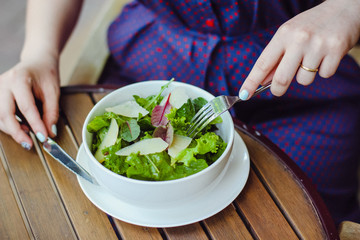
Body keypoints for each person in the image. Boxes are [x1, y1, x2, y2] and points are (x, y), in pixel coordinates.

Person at [0, 0, 359, 225]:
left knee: (303, 219)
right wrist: (39, 52)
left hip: (302, 80)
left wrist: (349, 8)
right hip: (149, 61)